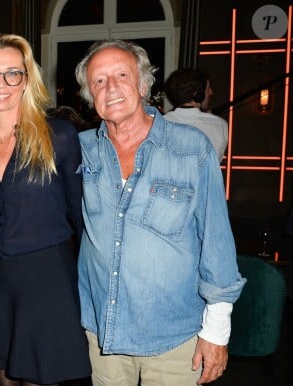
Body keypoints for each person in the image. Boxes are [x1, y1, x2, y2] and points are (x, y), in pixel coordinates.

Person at [74, 39, 246, 386]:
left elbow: (216, 240)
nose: (111, 87)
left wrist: (217, 329)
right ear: (90, 96)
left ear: (143, 84)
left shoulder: (191, 148)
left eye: (122, 75)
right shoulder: (80, 150)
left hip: (175, 338)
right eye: (99, 80)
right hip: (102, 336)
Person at [0, 33, 91, 386]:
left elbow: (83, 221)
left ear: (27, 80)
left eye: (12, 73)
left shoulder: (59, 137)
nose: (1, 83)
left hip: (48, 285)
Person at [163, 68, 228, 163]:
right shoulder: (220, 125)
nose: (211, 92)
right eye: (208, 89)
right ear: (198, 95)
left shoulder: (160, 123)